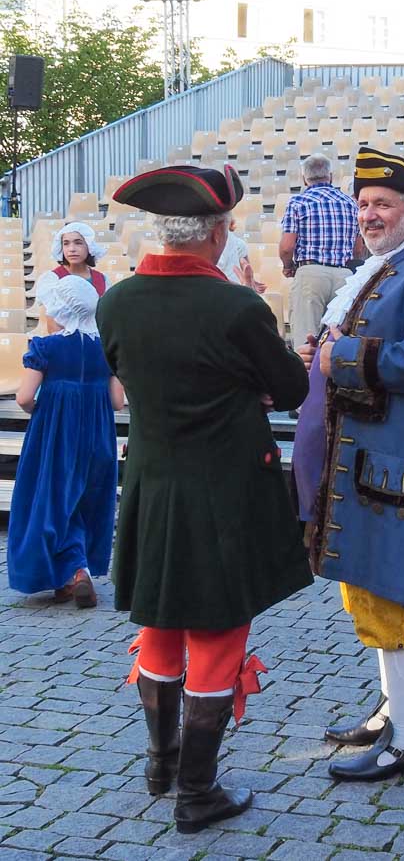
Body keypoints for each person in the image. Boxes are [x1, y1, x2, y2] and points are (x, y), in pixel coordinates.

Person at [96, 165, 312, 834]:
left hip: (153, 483)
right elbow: (292, 388)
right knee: (217, 636)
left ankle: (161, 765)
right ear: (217, 233)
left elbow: (135, 374)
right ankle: (198, 792)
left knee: (159, 628)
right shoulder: (236, 306)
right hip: (223, 490)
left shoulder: (116, 301)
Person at [293, 147, 404, 782]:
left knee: (394, 596)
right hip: (371, 459)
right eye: (363, 204)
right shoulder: (386, 267)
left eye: (382, 205)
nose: (369, 214)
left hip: (402, 464)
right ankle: (392, 714)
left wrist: (342, 358)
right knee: (369, 586)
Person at [7, 276, 123, 608]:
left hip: (55, 434)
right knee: (85, 499)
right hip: (97, 434)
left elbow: (24, 397)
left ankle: (74, 570)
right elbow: (117, 402)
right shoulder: (105, 349)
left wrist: (41, 409)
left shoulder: (47, 347)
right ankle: (74, 573)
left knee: (51, 498)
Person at [279, 153, 362, 348]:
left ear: (304, 178)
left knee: (306, 341)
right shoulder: (350, 203)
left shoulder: (298, 202)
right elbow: (358, 250)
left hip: (310, 273)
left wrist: (288, 266)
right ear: (330, 176)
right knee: (339, 339)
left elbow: (287, 247)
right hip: (344, 275)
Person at [36, 221, 109, 311]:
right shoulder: (53, 279)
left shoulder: (102, 279)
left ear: (89, 246)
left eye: (78, 243)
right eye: (66, 243)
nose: (72, 249)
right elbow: (47, 317)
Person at [217, 216, 266, 294]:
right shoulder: (236, 241)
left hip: (226, 292)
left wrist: (250, 281)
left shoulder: (236, 242)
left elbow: (245, 266)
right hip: (231, 291)